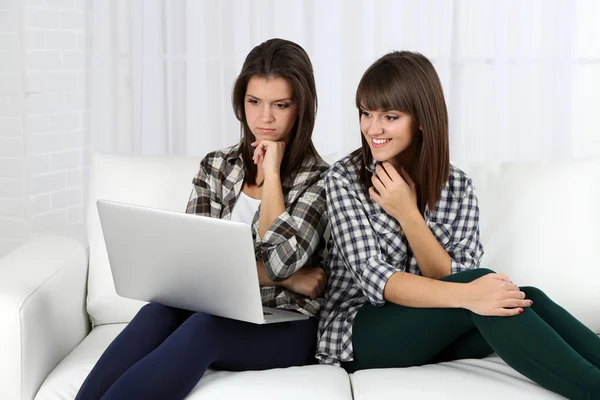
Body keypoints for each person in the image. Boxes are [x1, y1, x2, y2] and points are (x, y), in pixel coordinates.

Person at [316, 50, 600, 400]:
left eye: (390, 116)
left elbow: (450, 278)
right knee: (485, 287)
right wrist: (471, 292)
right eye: (366, 113)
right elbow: (376, 278)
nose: (373, 129)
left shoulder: (457, 186)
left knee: (527, 298)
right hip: (362, 335)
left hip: (430, 329)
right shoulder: (343, 180)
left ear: (421, 119)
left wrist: (408, 214)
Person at [76, 38, 329, 400]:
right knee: (158, 312)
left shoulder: (320, 179)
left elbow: (280, 259)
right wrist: (288, 279)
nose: (265, 118)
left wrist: (272, 174)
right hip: (220, 308)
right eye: (254, 102)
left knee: (206, 328)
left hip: (290, 324)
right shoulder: (217, 165)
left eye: (281, 105)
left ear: (301, 108)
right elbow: (192, 264)